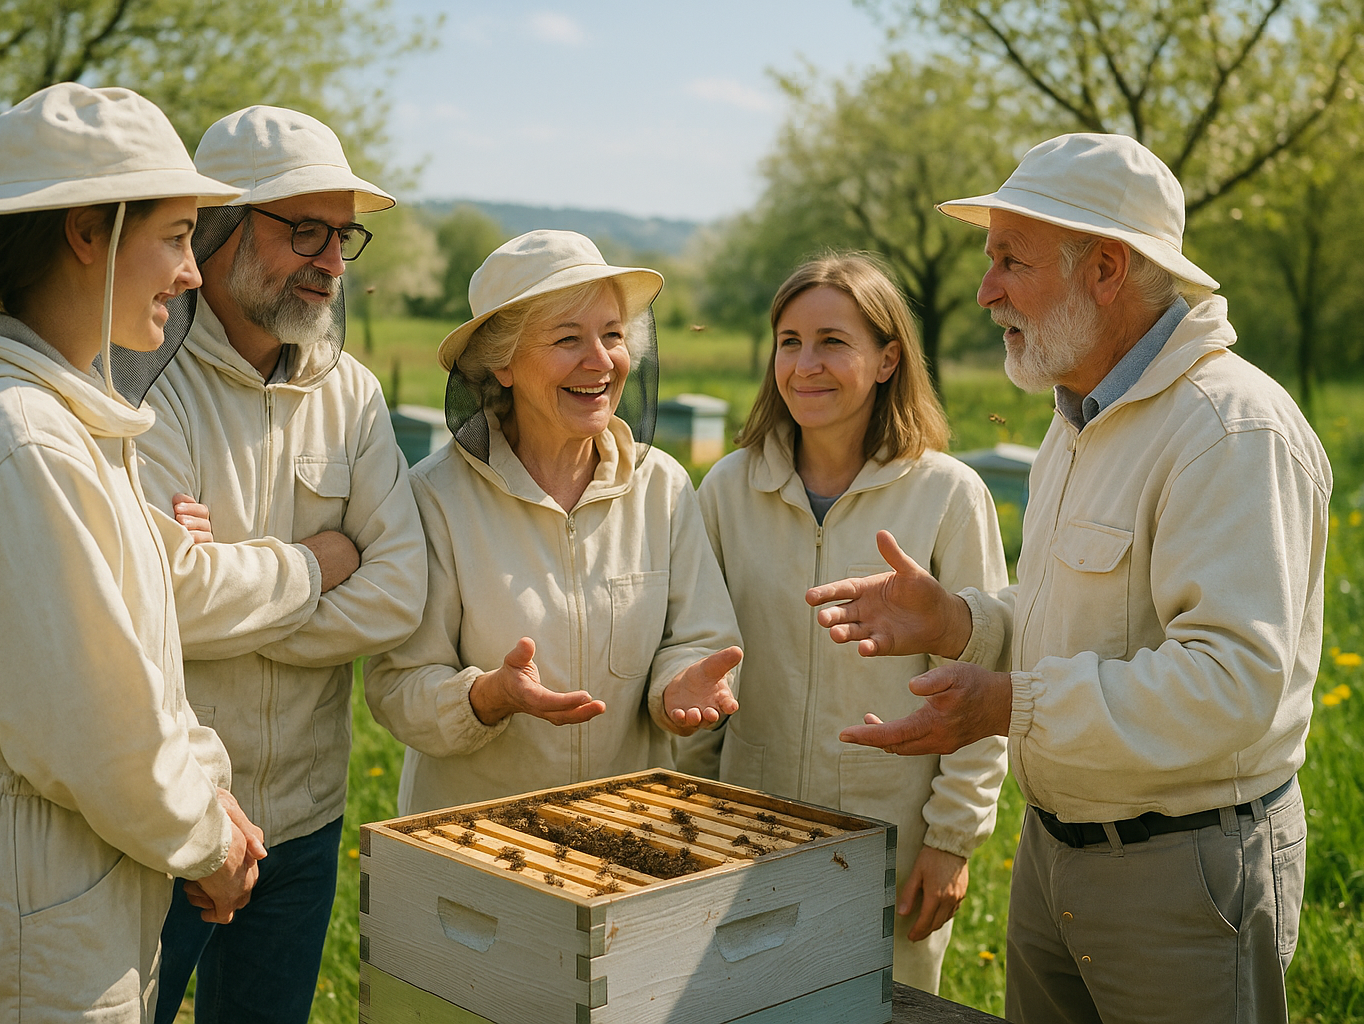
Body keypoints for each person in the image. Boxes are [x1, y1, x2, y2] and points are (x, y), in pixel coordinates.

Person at [810, 134, 1329, 1023]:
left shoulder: (1229, 431)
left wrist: (1008, 704)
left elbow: (1235, 682)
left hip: (1186, 876)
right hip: (1055, 855)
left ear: (1107, 269)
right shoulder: (1080, 415)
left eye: (1011, 260)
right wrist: (958, 620)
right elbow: (1082, 619)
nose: (986, 291)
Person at [0, 84, 335, 1022]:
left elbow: (139, 666)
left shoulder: (51, 424)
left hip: (64, 871)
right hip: (29, 898)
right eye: (175, 236)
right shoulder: (20, 439)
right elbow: (93, 727)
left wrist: (213, 799)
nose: (191, 273)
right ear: (89, 232)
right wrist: (212, 842)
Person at [134, 105, 427, 1024]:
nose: (332, 261)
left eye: (344, 236)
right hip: (165, 814)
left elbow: (400, 593)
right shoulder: (141, 379)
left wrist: (239, 599)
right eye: (304, 229)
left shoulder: (352, 391)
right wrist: (321, 559)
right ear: (218, 226)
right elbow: (166, 601)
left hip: (304, 816)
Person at [685, 253, 1007, 992]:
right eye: (789, 342)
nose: (805, 364)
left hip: (889, 847)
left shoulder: (950, 496)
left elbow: (981, 683)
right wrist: (692, 813)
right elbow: (700, 657)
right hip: (745, 833)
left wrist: (951, 841)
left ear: (888, 357)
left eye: (833, 340)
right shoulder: (729, 489)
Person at [365, 229, 743, 814]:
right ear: (503, 364)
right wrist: (488, 696)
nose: (600, 361)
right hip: (479, 835)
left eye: (613, 335)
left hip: (626, 826)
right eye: (568, 338)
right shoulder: (435, 497)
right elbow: (397, 685)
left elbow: (699, 636)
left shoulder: (662, 486)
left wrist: (681, 685)